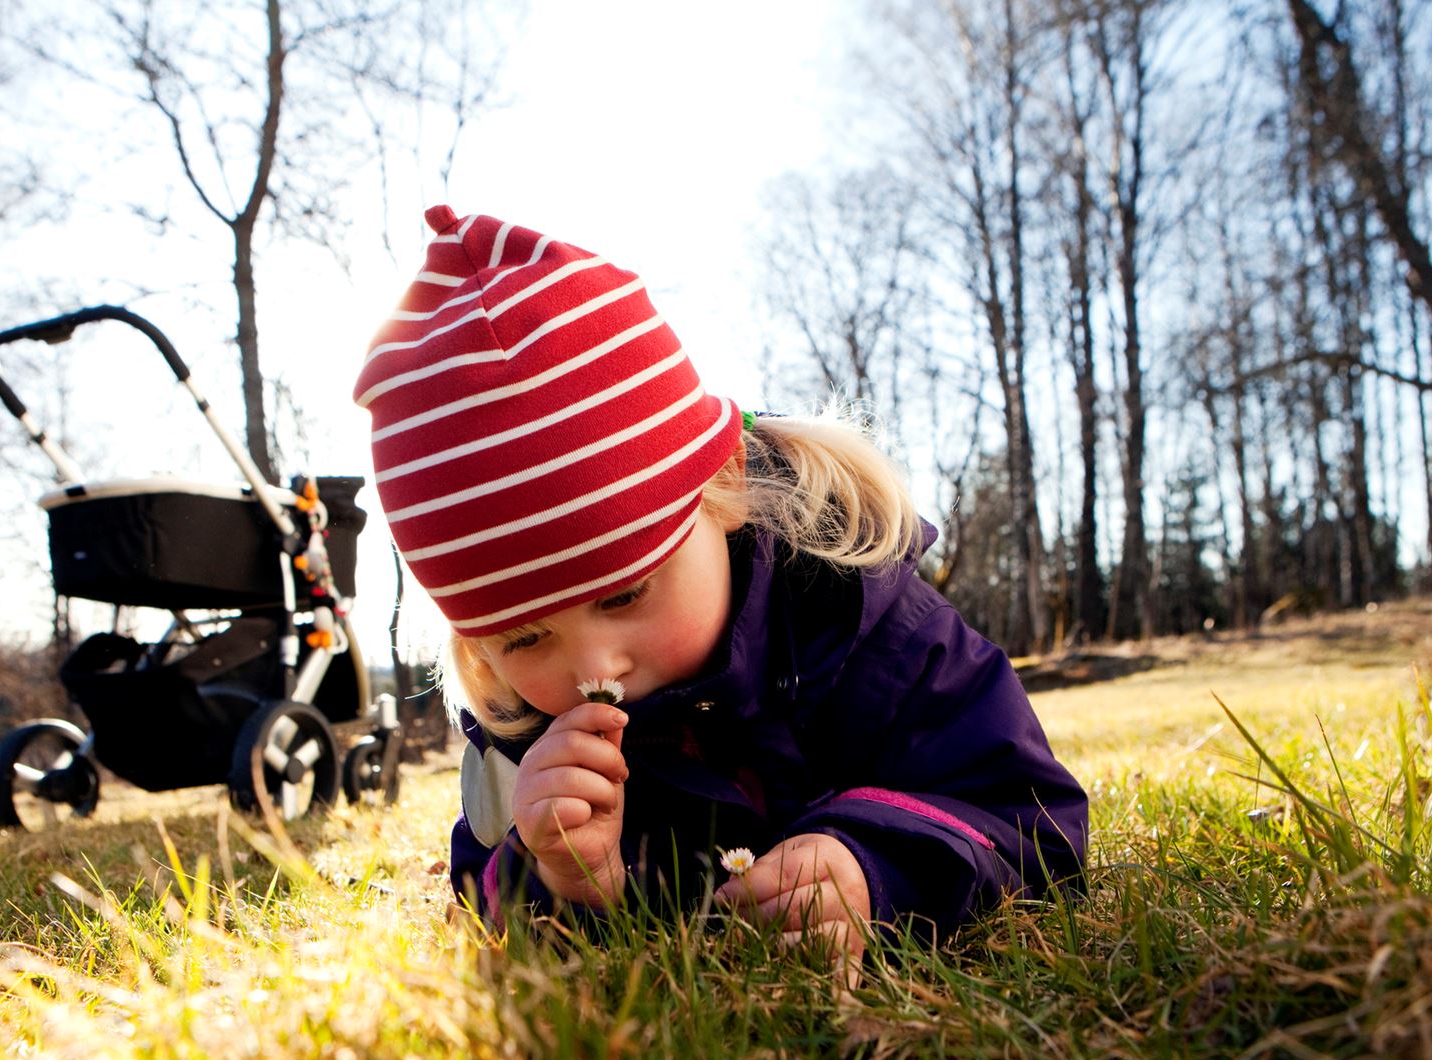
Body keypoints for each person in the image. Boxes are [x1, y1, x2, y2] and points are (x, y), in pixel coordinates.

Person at [353, 206, 1087, 962]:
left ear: (724, 485)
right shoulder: (520, 723)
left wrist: (878, 869)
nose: (593, 671)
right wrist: (567, 878)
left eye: (624, 595)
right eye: (526, 637)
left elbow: (1034, 822)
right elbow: (486, 909)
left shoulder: (867, 625)